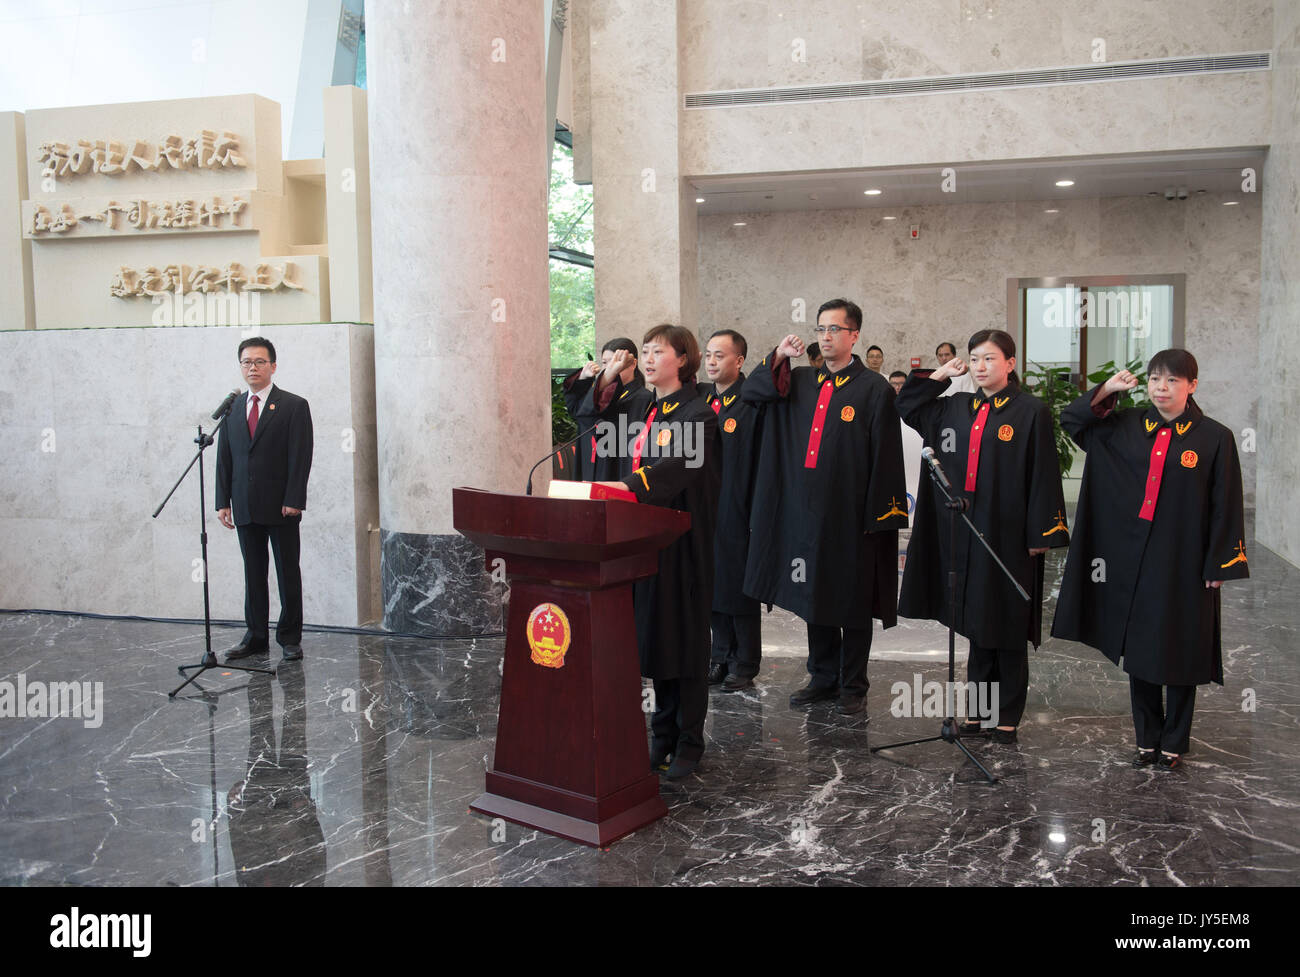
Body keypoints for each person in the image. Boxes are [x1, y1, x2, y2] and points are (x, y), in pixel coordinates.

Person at [1052, 350, 1248, 770]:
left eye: (1173, 381)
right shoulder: (1123, 425)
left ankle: (1175, 740)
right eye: (1155, 379)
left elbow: (1225, 505)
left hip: (1184, 559)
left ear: (1192, 386)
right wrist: (1107, 390)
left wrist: (1220, 564)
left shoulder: (1215, 437)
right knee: (1139, 648)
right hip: (1131, 557)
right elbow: (1072, 421)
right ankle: (1147, 738)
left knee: (1181, 647)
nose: (1162, 387)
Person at [897, 329, 1068, 743]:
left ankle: (1006, 719)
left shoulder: (1031, 411)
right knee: (975, 624)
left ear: (1010, 363)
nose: (980, 367)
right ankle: (977, 715)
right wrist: (941, 374)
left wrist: (1042, 531)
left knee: (1006, 624)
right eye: (974, 359)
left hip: (1008, 533)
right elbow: (906, 405)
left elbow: (1043, 473)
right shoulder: (956, 406)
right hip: (963, 531)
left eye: (989, 359)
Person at [743, 299, 908, 716]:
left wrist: (879, 516)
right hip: (806, 511)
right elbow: (753, 391)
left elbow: (886, 455)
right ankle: (821, 676)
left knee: (851, 599)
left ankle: (853, 683)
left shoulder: (873, 389)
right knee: (813, 592)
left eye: (835, 329)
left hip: (852, 514)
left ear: (854, 335)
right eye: (820, 329)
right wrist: (779, 353)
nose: (826, 336)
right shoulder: (800, 381)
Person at [591, 324, 720, 779]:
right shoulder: (644, 407)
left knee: (684, 642)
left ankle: (689, 740)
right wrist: (608, 375)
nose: (647, 359)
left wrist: (624, 487)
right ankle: (660, 735)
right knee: (655, 640)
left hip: (682, 545)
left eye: (657, 351)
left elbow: (674, 469)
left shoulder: (698, 414)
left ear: (682, 359)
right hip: (643, 543)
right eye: (644, 351)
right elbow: (596, 418)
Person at [216, 337, 314, 663]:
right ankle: (255, 636)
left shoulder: (293, 406)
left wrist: (294, 498)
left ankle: (290, 638)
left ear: (273, 366)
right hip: (245, 505)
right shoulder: (232, 410)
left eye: (259, 362)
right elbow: (224, 460)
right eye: (246, 362)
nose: (253, 367)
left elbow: (300, 458)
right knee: (253, 573)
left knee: (287, 572)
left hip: (281, 506)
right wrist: (223, 502)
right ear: (240, 367)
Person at [700, 329, 764, 692]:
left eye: (719, 355)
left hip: (738, 507)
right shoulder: (701, 401)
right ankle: (719, 656)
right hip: (705, 508)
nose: (711, 361)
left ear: (739, 361)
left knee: (739, 588)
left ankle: (745, 662)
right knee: (712, 584)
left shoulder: (750, 403)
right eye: (708, 354)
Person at [561, 338, 645, 481]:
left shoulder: (643, 399)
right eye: (605, 363)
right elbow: (579, 412)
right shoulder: (601, 396)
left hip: (616, 470)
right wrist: (583, 379)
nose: (609, 368)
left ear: (633, 364)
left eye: (615, 362)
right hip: (591, 466)